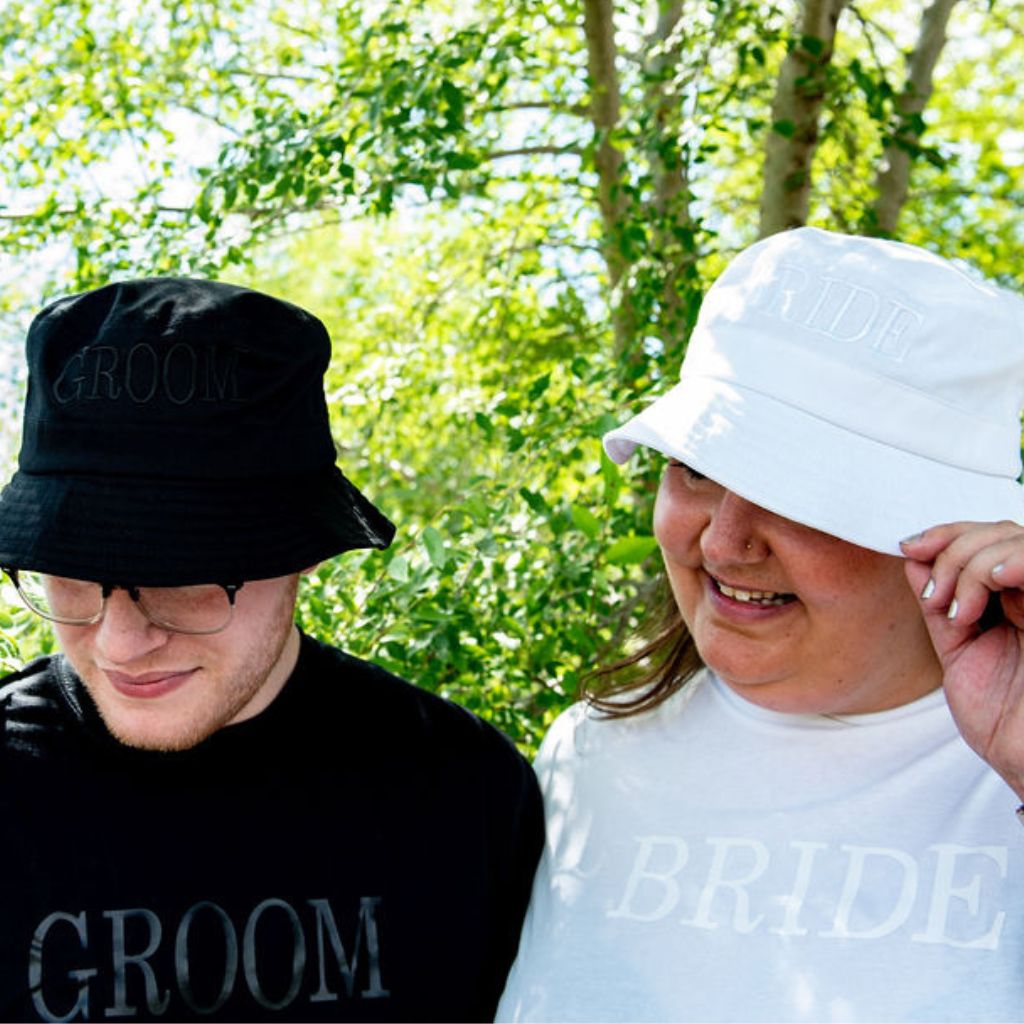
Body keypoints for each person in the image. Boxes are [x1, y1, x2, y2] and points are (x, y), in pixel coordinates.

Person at [496, 227, 1024, 1022]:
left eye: (800, 495)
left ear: (952, 533)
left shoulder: (1003, 778)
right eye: (698, 468)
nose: (723, 542)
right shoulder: (594, 754)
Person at [0, 278, 543, 1023]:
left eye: (185, 576)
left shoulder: (465, 796)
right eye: (68, 571)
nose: (122, 641)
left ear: (303, 551)